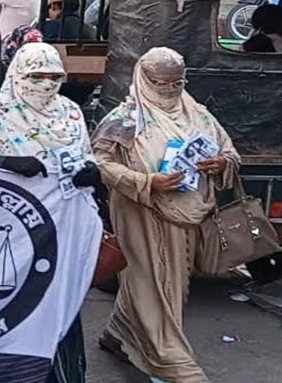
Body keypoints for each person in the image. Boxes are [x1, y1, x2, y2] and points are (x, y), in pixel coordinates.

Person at [93, 47, 238, 383]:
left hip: (187, 211)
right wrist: (145, 182)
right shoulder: (126, 118)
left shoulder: (198, 114)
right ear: (144, 79)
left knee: (173, 283)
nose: (169, 90)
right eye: (161, 83)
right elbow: (100, 162)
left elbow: (229, 151)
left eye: (177, 83)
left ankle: (119, 333)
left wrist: (220, 163)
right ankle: (172, 362)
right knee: (153, 284)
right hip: (139, 213)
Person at [0, 42, 99, 383]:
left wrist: (90, 172)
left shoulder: (70, 111)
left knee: (57, 303)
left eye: (54, 77)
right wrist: (2, 163)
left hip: (60, 229)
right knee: (5, 307)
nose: (46, 84)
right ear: (18, 74)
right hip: (4, 232)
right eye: (36, 76)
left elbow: (84, 154)